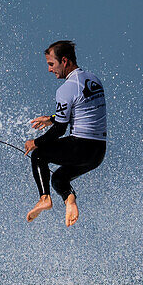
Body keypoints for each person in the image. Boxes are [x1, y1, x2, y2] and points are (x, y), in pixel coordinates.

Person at [24, 40, 107, 226]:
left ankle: (44, 198)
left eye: (51, 64)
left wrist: (36, 142)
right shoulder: (93, 79)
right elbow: (83, 108)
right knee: (59, 178)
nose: (49, 69)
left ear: (64, 61)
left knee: (39, 156)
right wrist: (52, 118)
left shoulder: (66, 89)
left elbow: (60, 130)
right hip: (98, 153)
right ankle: (70, 200)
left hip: (80, 146)